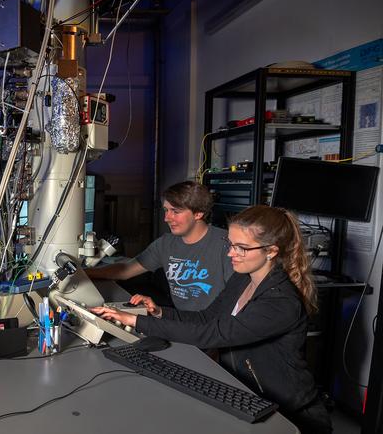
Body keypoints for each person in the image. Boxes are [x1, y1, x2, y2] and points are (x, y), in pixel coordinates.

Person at [91, 205, 331, 433]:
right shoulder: (244, 278)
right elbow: (208, 317)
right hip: (247, 395)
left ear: (271, 251)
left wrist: (136, 321)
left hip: (291, 414)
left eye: (241, 247)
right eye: (230, 243)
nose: (230, 253)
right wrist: (158, 312)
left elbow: (215, 334)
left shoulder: (280, 302)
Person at [86, 181, 233, 311]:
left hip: (215, 324)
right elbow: (126, 270)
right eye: (166, 210)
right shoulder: (165, 243)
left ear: (198, 214)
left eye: (175, 211)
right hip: (183, 320)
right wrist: (84, 273)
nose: (166, 218)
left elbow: (240, 297)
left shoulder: (226, 244)